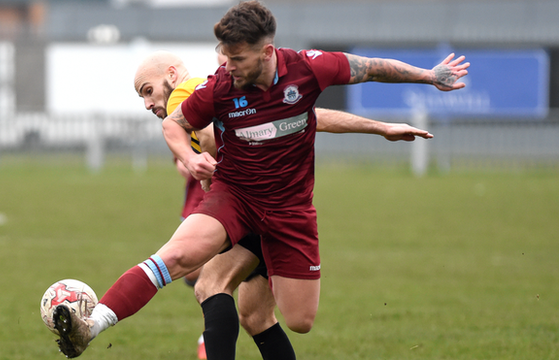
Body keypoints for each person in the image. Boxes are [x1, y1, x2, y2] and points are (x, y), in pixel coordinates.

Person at [52, 1, 468, 358]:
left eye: (236, 60)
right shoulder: (218, 89)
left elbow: (371, 70)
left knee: (292, 319)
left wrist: (428, 78)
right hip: (235, 197)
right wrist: (190, 161)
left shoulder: (307, 69)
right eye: (224, 58)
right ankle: (93, 325)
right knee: (179, 259)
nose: (226, 68)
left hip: (289, 210)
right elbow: (175, 127)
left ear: (267, 52)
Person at [133, 50, 434, 360]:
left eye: (148, 91)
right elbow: (315, 118)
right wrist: (380, 127)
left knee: (211, 285)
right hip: (266, 206)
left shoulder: (197, 94)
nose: (224, 66)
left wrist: (207, 171)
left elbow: (209, 137)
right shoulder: (238, 90)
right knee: (254, 316)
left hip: (256, 205)